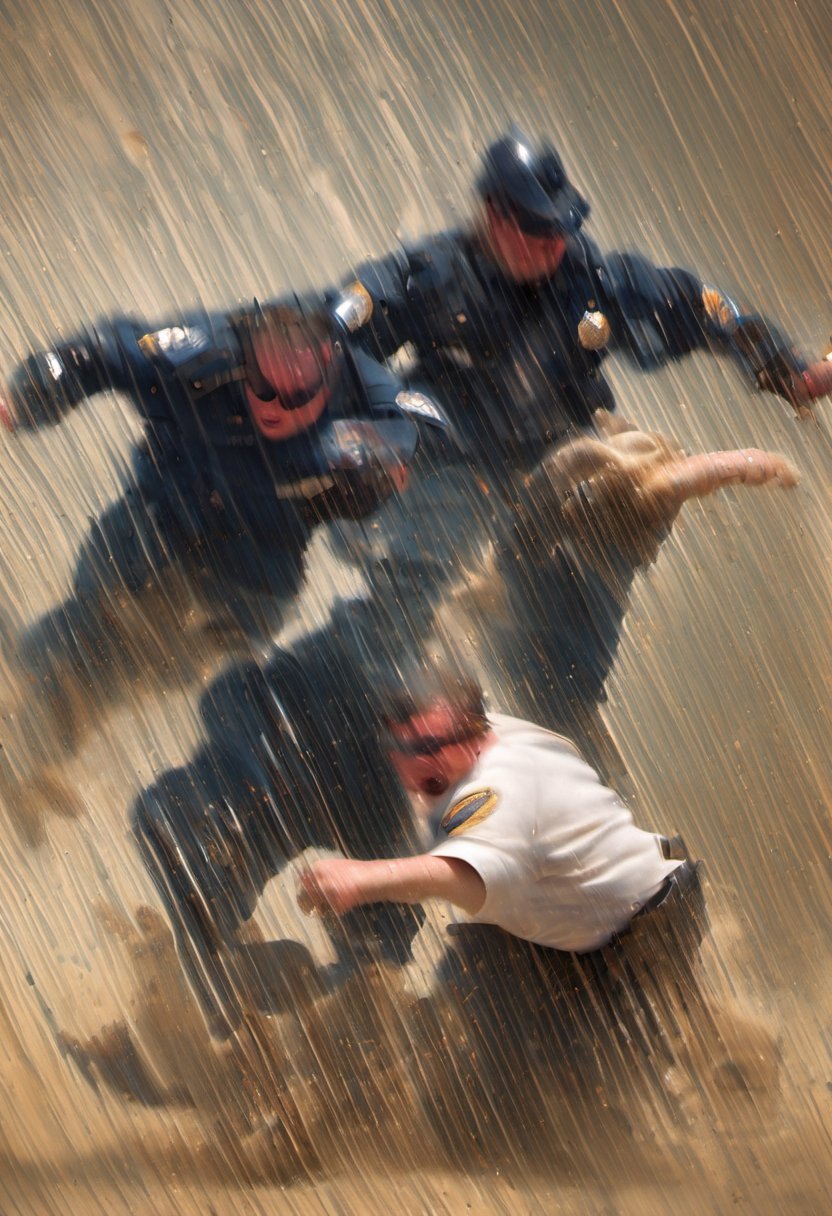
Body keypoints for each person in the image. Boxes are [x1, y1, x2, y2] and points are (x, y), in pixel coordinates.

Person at [133, 422, 796, 1035]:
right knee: (395, 909)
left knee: (433, 945)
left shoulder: (534, 581)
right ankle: (305, 999)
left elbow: (474, 858)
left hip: (519, 816)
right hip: (465, 774)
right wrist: (741, 465)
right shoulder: (566, 565)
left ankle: (321, 1003)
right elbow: (639, 488)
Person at [329, 125, 832, 694]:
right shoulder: (436, 277)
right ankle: (364, 698)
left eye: (562, 229)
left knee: (600, 528)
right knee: (409, 596)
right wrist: (357, 437)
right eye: (540, 231)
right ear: (495, 216)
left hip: (548, 474)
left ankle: (563, 705)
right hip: (445, 474)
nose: (556, 244)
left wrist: (788, 368)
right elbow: (334, 342)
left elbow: (692, 306)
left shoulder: (588, 282)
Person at [0, 292, 427, 790]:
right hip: (152, 533)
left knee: (109, 672)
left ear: (328, 374)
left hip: (245, 592)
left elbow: (422, 428)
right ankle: (29, 757)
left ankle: (29, 753)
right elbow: (102, 352)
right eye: (263, 386)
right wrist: (28, 397)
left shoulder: (359, 399)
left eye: (295, 398)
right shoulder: (206, 354)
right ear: (246, 357)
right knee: (84, 640)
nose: (274, 406)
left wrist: (371, 459)